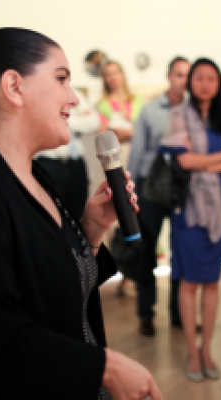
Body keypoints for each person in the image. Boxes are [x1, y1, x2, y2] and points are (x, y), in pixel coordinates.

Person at [0, 28, 163, 400]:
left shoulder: (34, 175)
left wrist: (90, 230)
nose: (73, 98)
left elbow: (44, 283)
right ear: (14, 87)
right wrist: (105, 367)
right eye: (61, 79)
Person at [160, 58, 221, 382]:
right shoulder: (178, 115)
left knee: (211, 281)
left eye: (211, 78)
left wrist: (202, 160)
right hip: (189, 209)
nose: (205, 84)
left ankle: (206, 349)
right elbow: (184, 161)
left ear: (219, 83)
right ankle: (191, 352)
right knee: (189, 281)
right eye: (199, 77)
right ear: (189, 82)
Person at [127, 56, 190, 336]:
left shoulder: (195, 111)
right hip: (149, 189)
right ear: (169, 76)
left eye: (187, 75)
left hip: (182, 190)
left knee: (181, 253)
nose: (183, 80)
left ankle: (178, 314)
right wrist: (128, 192)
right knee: (146, 253)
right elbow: (137, 152)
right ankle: (145, 314)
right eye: (179, 74)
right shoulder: (150, 110)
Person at [97, 61, 144, 296]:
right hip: (114, 163)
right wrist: (127, 132)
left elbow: (141, 131)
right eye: (107, 74)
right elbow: (103, 134)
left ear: (122, 74)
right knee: (117, 218)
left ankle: (137, 273)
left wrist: (121, 132)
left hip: (137, 160)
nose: (112, 77)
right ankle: (122, 272)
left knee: (137, 214)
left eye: (115, 72)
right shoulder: (103, 104)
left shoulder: (137, 101)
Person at [36, 88, 99, 219]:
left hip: (76, 162)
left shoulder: (76, 94)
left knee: (78, 211)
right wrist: (78, 118)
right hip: (50, 163)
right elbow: (46, 121)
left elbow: (94, 123)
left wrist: (65, 120)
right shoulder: (42, 94)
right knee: (50, 212)